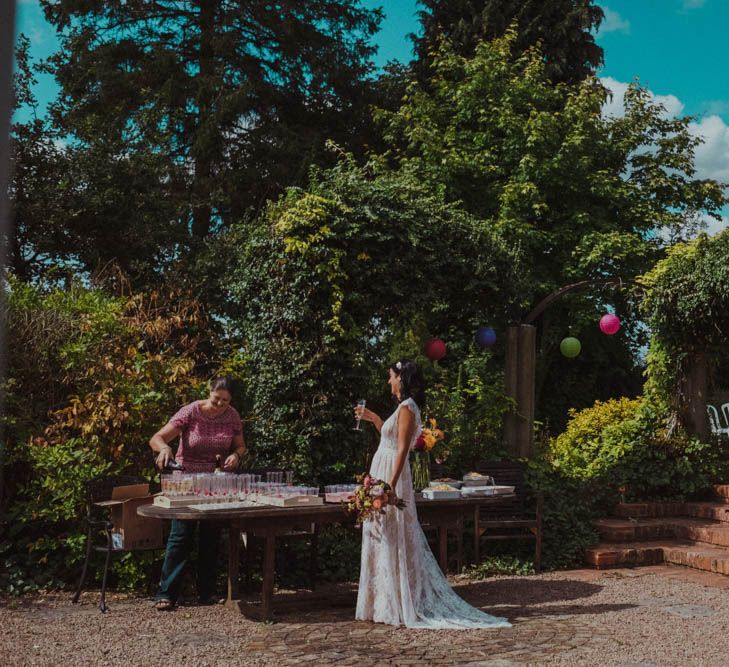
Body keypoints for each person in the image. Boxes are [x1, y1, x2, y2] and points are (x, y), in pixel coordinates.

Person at [354, 359, 510, 629]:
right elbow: (389, 439)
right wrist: (375, 419)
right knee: (384, 532)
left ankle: (399, 601)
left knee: (395, 531)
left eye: (391, 377)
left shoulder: (407, 407)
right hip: (383, 469)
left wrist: (389, 486)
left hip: (391, 473)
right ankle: (382, 601)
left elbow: (402, 449)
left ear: (401, 378)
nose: (388, 381)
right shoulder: (401, 408)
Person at [149, 376, 246, 610]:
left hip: (215, 484)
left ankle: (206, 593)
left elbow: (241, 446)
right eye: (216, 399)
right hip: (185, 482)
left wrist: (237, 455)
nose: (220, 404)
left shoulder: (232, 415)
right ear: (209, 391)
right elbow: (157, 438)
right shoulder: (191, 411)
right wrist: (164, 448)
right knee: (181, 536)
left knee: (211, 538)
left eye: (225, 400)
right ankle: (166, 594)